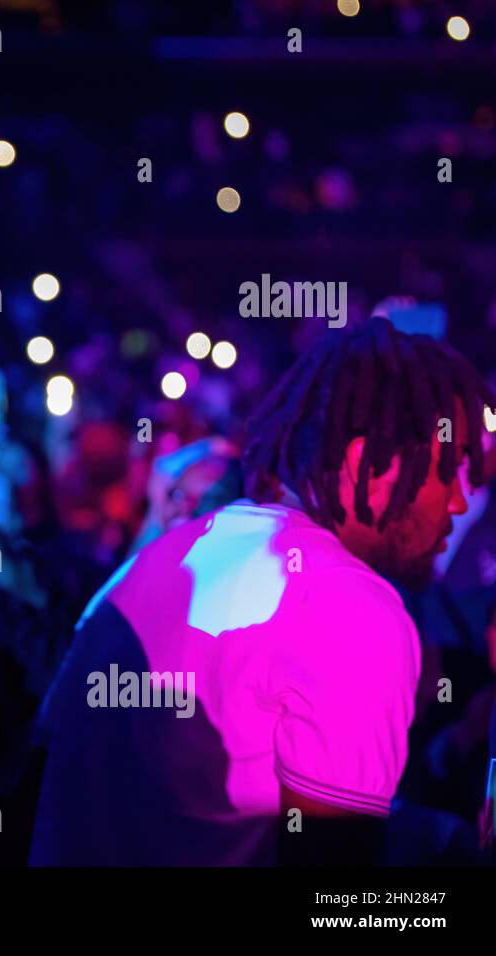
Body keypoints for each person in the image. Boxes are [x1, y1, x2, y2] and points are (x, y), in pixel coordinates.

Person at [29, 317, 494, 866]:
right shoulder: (348, 604)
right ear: (365, 465)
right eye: (447, 470)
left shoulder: (160, 556)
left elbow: (31, 787)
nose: (460, 502)